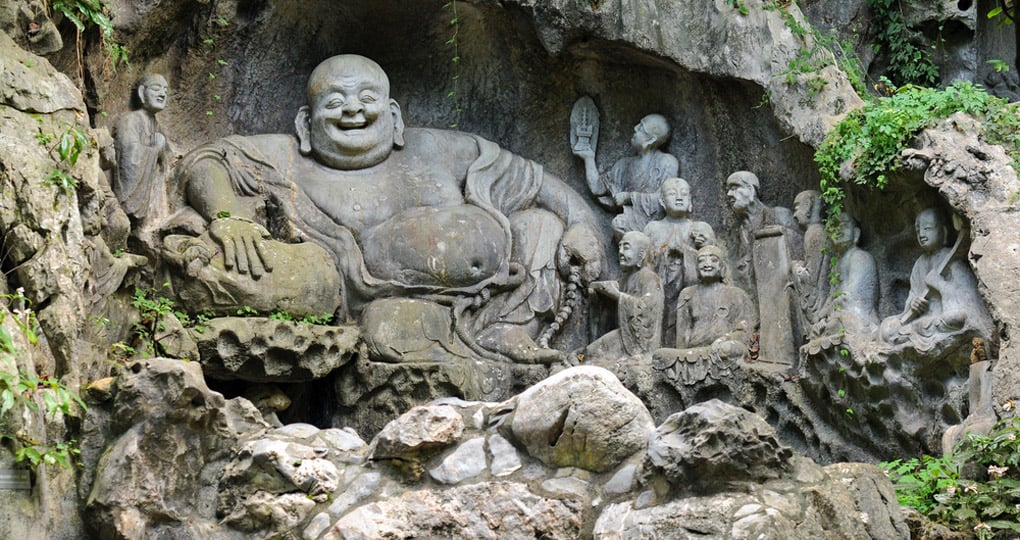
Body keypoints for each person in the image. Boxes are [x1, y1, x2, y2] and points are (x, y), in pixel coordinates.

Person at [178, 54, 604, 367]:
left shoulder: (440, 149)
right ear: (306, 124)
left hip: (496, 294)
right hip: (380, 303)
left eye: (367, 98)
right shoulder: (286, 157)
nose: (352, 109)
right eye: (334, 102)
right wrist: (227, 217)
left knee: (541, 225)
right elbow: (206, 159)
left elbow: (537, 183)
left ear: (394, 115)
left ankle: (509, 331)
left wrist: (583, 225)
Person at [879, 208, 993, 354]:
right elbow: (913, 295)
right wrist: (913, 304)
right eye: (918, 230)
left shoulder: (951, 260)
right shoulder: (919, 264)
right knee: (887, 328)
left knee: (955, 318)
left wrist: (940, 284)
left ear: (943, 231)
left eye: (927, 228)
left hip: (945, 317)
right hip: (924, 321)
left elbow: (968, 297)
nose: (922, 234)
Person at [724, 170, 797, 365]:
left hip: (780, 297)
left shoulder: (778, 215)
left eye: (734, 188)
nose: (729, 194)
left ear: (750, 189)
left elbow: (797, 249)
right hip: (752, 303)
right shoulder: (736, 232)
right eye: (728, 190)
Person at [653, 244, 753, 385]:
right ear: (696, 268)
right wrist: (681, 354)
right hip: (693, 353)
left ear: (722, 266)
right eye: (701, 260)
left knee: (729, 349)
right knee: (660, 355)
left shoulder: (736, 294)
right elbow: (683, 334)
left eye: (713, 260)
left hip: (721, 350)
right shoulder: (687, 294)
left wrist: (726, 338)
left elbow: (745, 331)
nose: (707, 264)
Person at [573, 114, 679, 235]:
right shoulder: (623, 165)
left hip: (657, 226)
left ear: (650, 140)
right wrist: (589, 158)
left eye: (641, 128)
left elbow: (666, 198)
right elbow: (597, 188)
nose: (635, 127)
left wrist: (628, 197)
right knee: (618, 224)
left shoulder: (666, 163)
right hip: (628, 223)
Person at [642, 177, 715, 344]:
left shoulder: (700, 228)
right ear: (662, 201)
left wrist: (689, 250)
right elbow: (644, 263)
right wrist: (662, 253)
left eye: (684, 194)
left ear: (690, 200)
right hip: (660, 287)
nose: (679, 197)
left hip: (691, 288)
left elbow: (715, 262)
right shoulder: (652, 228)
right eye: (672, 194)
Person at [584, 231, 663, 364]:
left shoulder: (650, 278)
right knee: (590, 352)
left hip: (636, 341)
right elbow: (612, 301)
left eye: (626, 247)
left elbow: (648, 311)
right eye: (619, 247)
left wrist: (618, 296)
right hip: (623, 333)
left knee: (593, 353)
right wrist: (598, 293)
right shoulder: (624, 279)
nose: (620, 252)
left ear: (641, 254)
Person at [113, 74, 172, 250]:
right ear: (141, 92)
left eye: (165, 90)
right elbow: (129, 157)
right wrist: (156, 147)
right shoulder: (130, 119)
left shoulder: (155, 124)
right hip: (131, 193)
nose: (162, 94)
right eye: (156, 88)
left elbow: (165, 161)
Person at [805, 213, 879, 349]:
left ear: (856, 233)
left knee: (834, 325)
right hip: (839, 315)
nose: (838, 231)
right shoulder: (836, 265)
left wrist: (827, 316)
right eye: (834, 227)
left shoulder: (860, 257)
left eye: (844, 225)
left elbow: (851, 298)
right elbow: (832, 297)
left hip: (858, 317)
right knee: (817, 331)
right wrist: (821, 318)